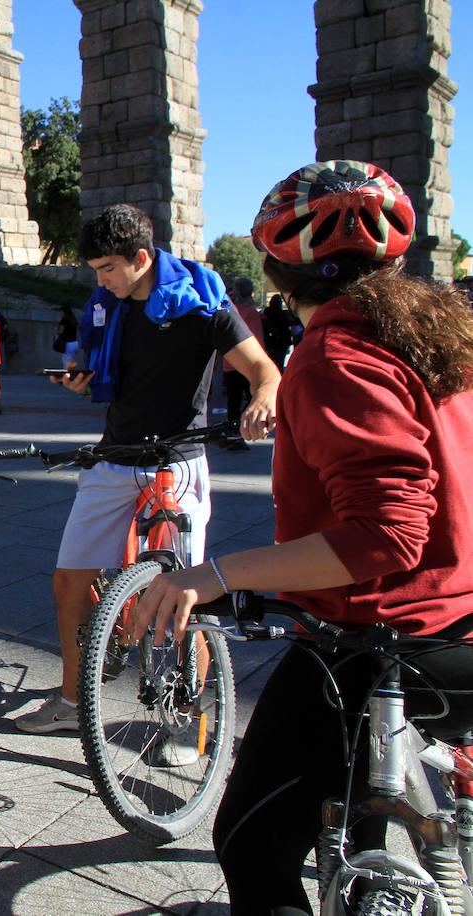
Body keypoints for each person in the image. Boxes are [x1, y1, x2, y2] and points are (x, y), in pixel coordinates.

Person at [129, 160, 473, 910]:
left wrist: (214, 574)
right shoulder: (439, 334)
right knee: (352, 816)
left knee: (250, 841)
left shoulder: (333, 355)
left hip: (382, 640)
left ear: (279, 270)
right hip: (460, 632)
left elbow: (387, 537)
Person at [14, 203, 280, 734]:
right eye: (94, 271)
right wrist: (78, 376)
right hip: (114, 456)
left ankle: (190, 716)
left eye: (108, 269)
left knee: (186, 590)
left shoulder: (201, 300)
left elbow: (262, 370)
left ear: (140, 257)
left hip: (178, 461)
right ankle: (71, 700)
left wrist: (263, 398)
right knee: (69, 581)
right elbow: (90, 363)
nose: (101, 281)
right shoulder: (105, 304)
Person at [221, 278, 265, 450]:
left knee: (233, 401)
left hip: (230, 363)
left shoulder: (230, 309)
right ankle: (239, 428)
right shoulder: (252, 313)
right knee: (251, 397)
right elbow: (256, 339)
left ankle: (232, 433)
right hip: (247, 364)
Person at [262, 292, 296, 370]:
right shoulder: (283, 315)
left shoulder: (267, 313)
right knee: (280, 363)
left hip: (270, 343)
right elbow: (291, 322)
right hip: (282, 343)